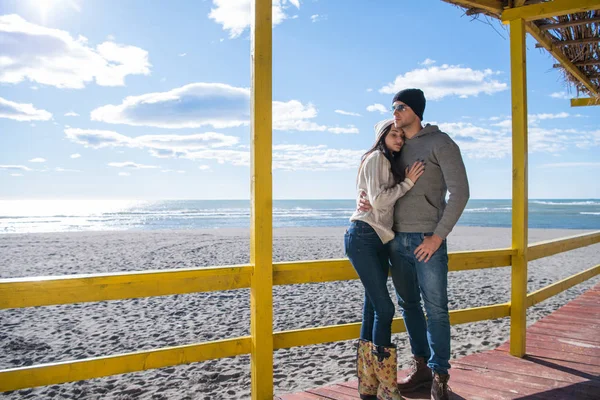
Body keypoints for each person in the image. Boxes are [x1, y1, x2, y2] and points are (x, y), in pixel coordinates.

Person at [358, 89, 469, 400]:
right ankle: (421, 369)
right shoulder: (396, 146)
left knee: (436, 310)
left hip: (426, 241)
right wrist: (363, 198)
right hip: (395, 240)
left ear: (416, 111)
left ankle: (439, 378)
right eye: (393, 106)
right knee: (408, 307)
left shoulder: (441, 143)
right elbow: (377, 179)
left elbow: (460, 193)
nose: (395, 111)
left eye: (401, 106)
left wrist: (437, 236)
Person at [345, 119, 425, 400]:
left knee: (371, 309)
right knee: (385, 309)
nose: (400, 139)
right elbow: (379, 201)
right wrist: (409, 182)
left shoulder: (382, 160)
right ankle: (387, 388)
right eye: (394, 134)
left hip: (376, 238)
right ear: (382, 135)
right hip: (365, 237)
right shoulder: (377, 156)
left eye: (402, 135)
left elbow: (372, 196)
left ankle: (369, 386)